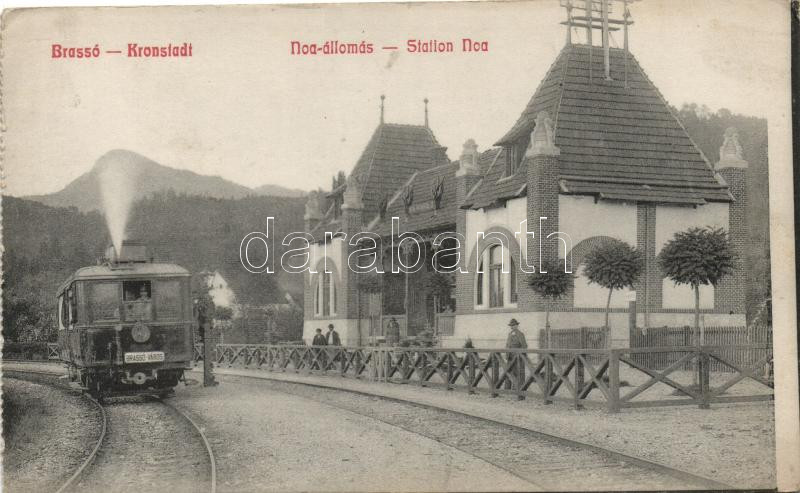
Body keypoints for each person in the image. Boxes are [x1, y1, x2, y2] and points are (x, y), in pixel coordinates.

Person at [504, 318, 527, 398]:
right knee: (509, 373)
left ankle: (518, 390)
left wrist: (519, 354)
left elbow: (524, 346)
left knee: (518, 373)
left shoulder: (520, 334)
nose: (512, 327)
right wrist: (507, 354)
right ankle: (507, 390)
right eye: (511, 325)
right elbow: (507, 345)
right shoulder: (510, 334)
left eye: (513, 325)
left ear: (517, 325)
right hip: (510, 357)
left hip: (517, 358)